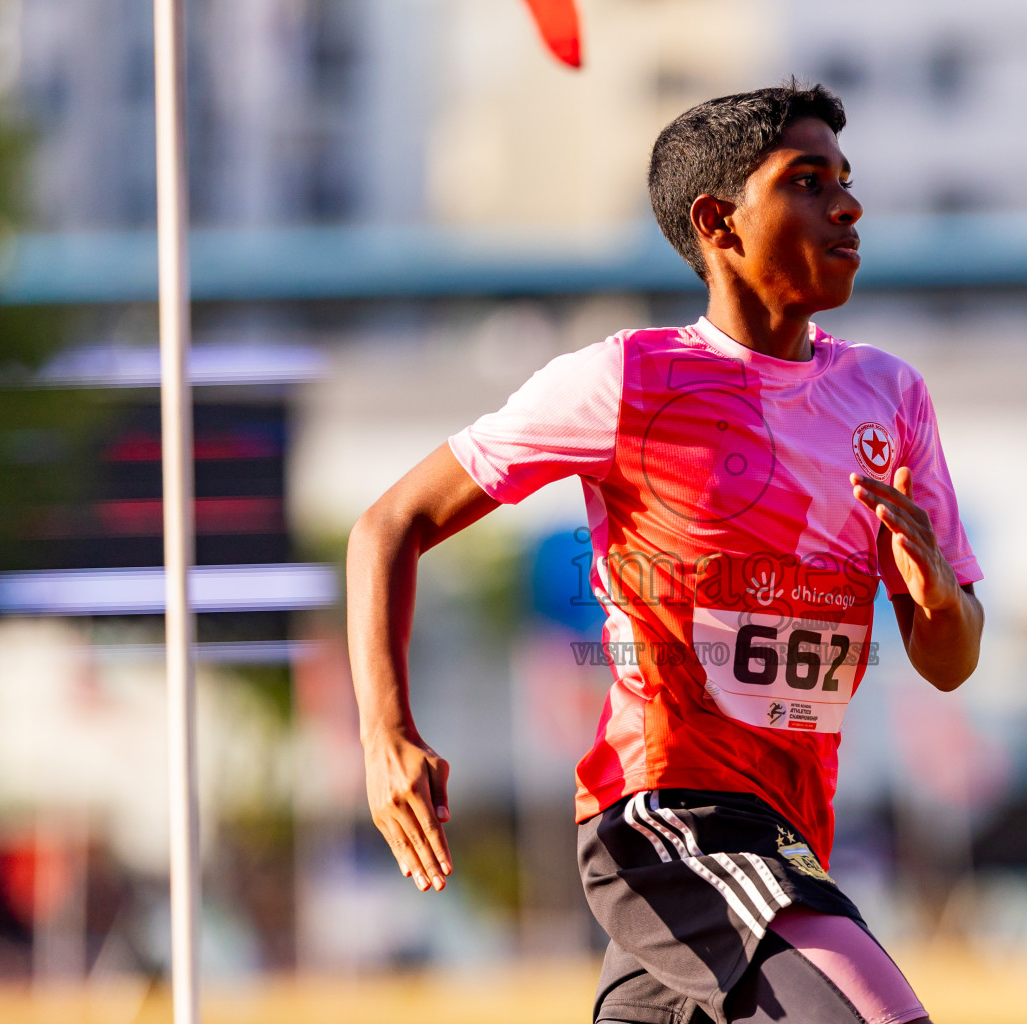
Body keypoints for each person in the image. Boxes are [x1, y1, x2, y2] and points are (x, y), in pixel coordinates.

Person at [347, 81, 984, 1024]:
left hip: (789, 830)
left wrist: (936, 597)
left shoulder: (892, 397)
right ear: (717, 223)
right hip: (670, 819)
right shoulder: (626, 380)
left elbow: (951, 662)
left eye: (847, 181)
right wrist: (385, 735)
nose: (848, 205)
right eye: (808, 182)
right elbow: (389, 524)